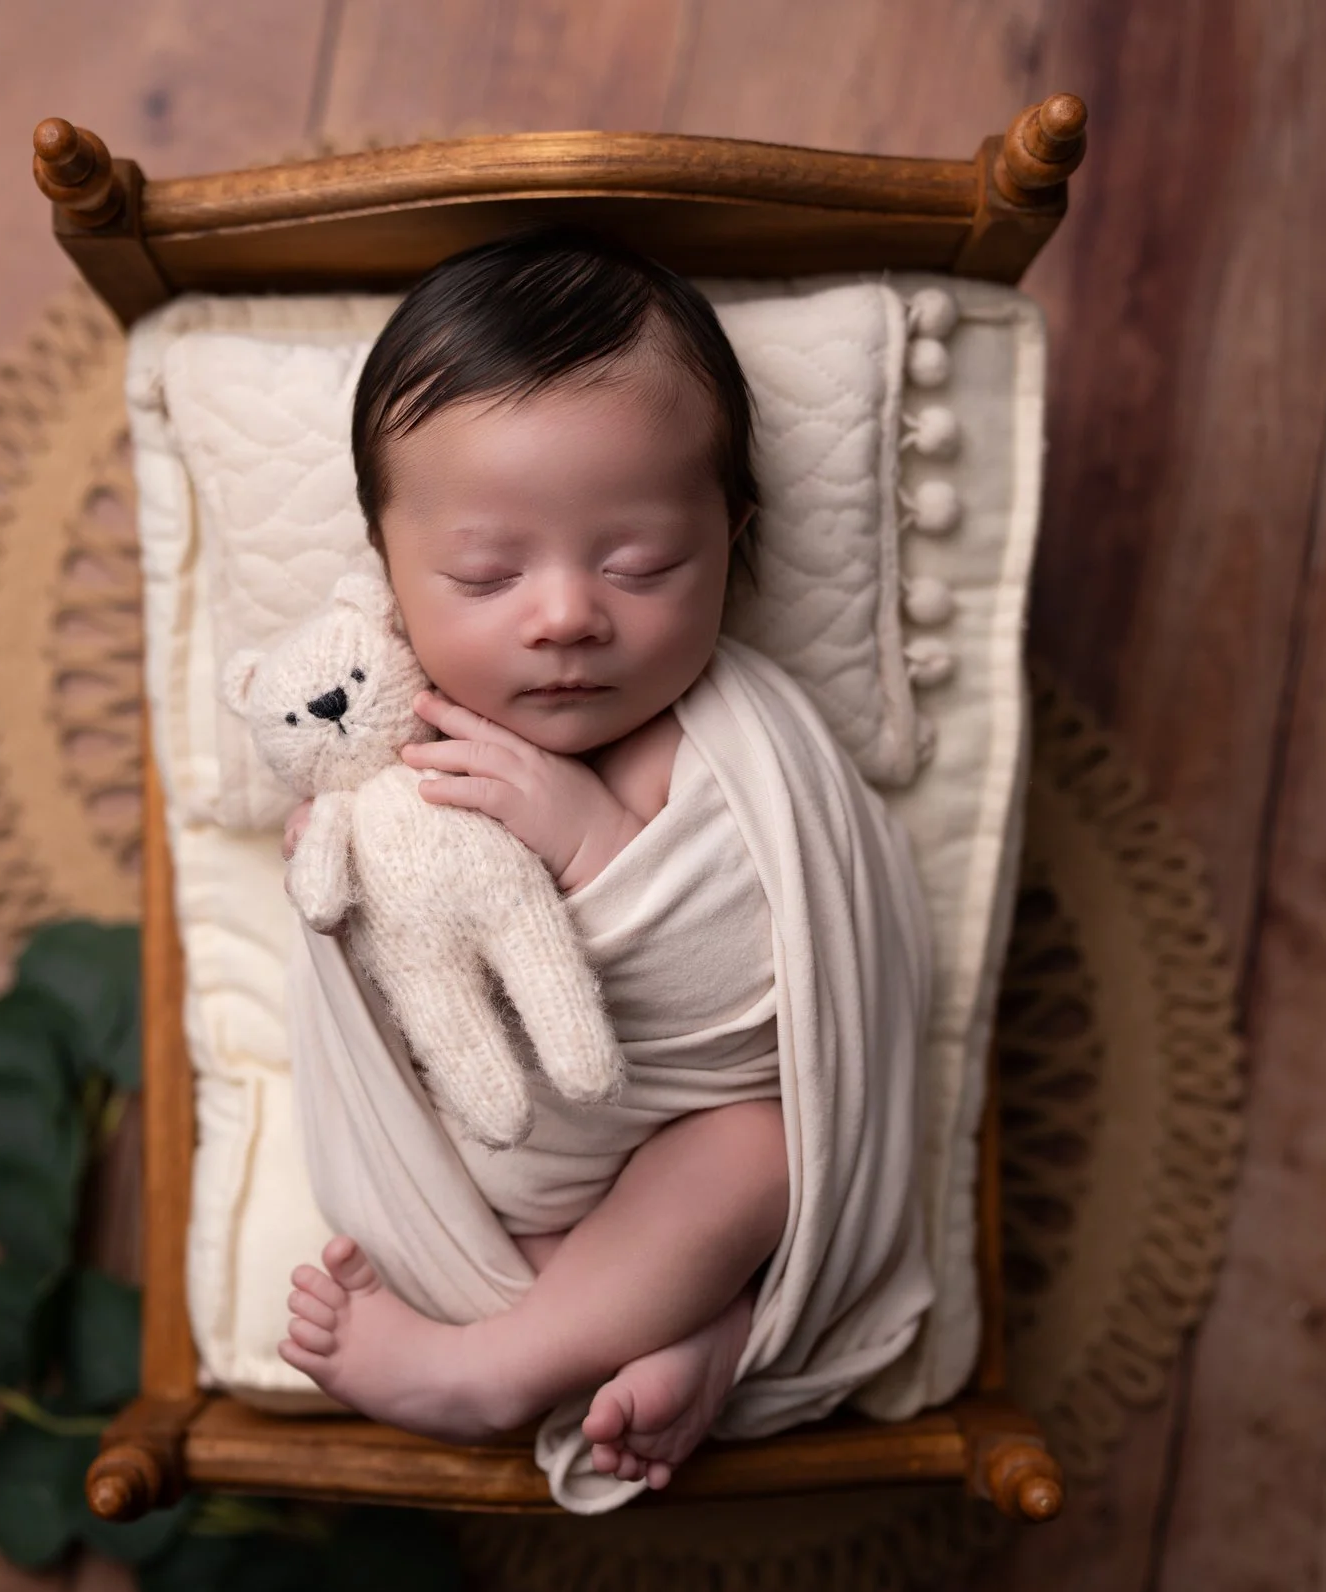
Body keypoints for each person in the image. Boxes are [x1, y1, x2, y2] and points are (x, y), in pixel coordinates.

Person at [276, 227, 930, 1495]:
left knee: (757, 1157)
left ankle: (508, 1367)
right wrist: (333, 877)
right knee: (635, 1227)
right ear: (389, 572)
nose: (567, 612)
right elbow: (371, 980)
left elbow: (797, 986)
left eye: (642, 564)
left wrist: (587, 841)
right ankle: (686, 1335)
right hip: (477, 1195)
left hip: (695, 1153)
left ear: (734, 538)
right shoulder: (388, 744)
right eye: (485, 571)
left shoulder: (743, 748)